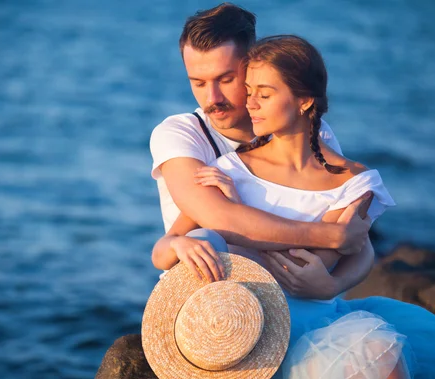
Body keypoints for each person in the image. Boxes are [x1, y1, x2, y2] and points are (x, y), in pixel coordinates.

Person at [157, 34, 435, 379]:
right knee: (372, 351)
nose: (251, 105)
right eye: (249, 91)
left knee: (381, 350)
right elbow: (166, 249)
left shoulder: (356, 182)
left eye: (264, 93)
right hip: (253, 326)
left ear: (305, 100)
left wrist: (236, 228)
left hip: (320, 323)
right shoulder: (229, 169)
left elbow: (321, 261)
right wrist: (207, 231)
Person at [150, 3, 374, 301]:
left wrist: (333, 285)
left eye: (226, 79)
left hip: (288, 303)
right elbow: (218, 218)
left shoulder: (309, 132)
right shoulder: (181, 134)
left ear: (252, 66)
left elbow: (360, 240)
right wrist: (332, 236)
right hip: (207, 304)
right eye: (198, 83)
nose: (212, 98)